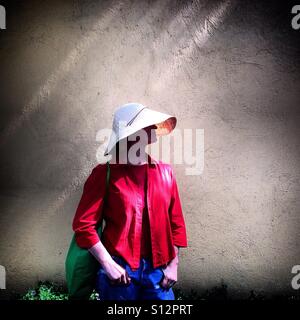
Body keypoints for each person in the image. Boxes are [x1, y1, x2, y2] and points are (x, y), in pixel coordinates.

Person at [72, 103, 188, 300]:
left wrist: (173, 266)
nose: (153, 127)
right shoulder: (104, 173)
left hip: (159, 272)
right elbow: (84, 226)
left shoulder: (165, 172)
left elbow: (176, 224)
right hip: (119, 272)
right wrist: (108, 265)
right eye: (146, 124)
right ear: (131, 133)